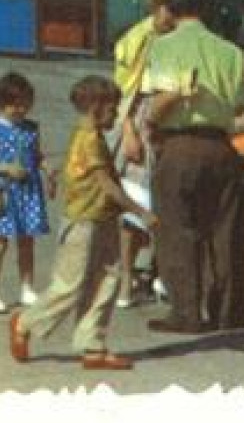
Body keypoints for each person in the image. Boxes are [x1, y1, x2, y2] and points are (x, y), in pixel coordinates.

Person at [8, 76, 157, 372]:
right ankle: (26, 322)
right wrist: (140, 212)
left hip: (102, 217)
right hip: (82, 221)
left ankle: (93, 345)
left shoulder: (96, 137)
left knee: (107, 280)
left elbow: (110, 181)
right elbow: (107, 185)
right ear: (96, 107)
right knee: (71, 284)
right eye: (113, 109)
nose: (116, 116)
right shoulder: (88, 140)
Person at [143, 0, 244, 334]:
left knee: (176, 230)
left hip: (179, 145)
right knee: (222, 231)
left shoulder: (163, 48)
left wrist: (150, 123)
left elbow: (160, 100)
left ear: (170, 11)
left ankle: (186, 312)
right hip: (221, 148)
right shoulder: (231, 52)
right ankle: (227, 311)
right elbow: (239, 108)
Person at [110, 0, 182, 308]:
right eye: (171, 9)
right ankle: (126, 278)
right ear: (158, 7)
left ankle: (158, 273)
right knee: (134, 205)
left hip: (169, 123)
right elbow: (122, 92)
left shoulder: (181, 35)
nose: (175, 16)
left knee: (164, 202)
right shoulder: (137, 38)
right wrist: (128, 132)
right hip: (139, 121)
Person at [0, 72, 56, 314]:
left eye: (25, 104)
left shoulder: (31, 128)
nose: (21, 109)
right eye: (15, 104)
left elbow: (36, 154)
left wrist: (46, 168)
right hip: (2, 193)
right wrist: (6, 169)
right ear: (2, 104)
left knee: (27, 242)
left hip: (28, 191)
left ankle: (27, 287)